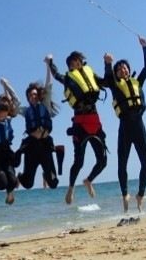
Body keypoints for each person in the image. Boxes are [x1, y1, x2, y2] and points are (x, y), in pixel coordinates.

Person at [46, 51, 109, 204]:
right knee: (79, 162)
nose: (75, 64)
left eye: (77, 61)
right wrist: (50, 62)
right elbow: (56, 75)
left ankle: (88, 180)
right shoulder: (68, 78)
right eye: (72, 63)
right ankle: (71, 188)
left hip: (95, 122)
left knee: (103, 161)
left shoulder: (91, 74)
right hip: (80, 124)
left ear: (81, 61)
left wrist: (108, 64)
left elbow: (106, 82)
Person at [104, 36, 146, 215]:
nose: (122, 69)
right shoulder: (115, 87)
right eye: (119, 68)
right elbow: (108, 77)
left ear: (128, 70)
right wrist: (108, 63)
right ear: (117, 73)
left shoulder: (137, 82)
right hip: (124, 127)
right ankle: (125, 195)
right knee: (122, 164)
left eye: (124, 67)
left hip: (139, 125)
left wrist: (144, 47)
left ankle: (140, 195)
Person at [0, 63, 64, 191]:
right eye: (30, 95)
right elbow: (11, 103)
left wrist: (48, 65)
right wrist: (6, 86)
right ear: (28, 98)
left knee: (53, 183)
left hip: (45, 146)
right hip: (32, 148)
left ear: (38, 95)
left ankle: (46, 174)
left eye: (35, 94)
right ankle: (21, 176)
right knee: (28, 184)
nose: (33, 96)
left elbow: (49, 85)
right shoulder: (26, 111)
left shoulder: (45, 105)